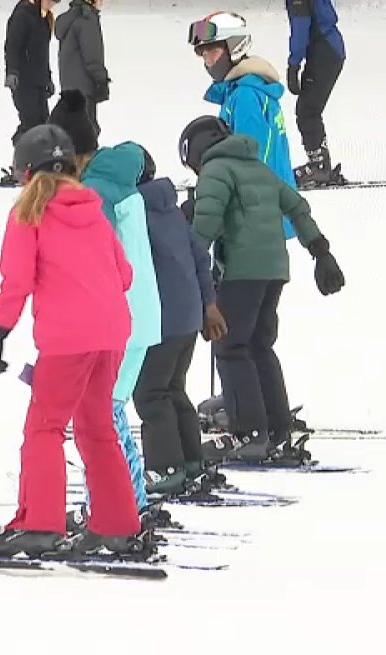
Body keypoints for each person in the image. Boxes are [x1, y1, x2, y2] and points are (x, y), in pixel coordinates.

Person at [0, 124, 143, 556]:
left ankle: (40, 524)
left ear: (24, 173)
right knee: (97, 429)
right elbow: (125, 275)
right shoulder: (92, 207)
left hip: (68, 340)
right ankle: (117, 525)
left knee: (44, 427)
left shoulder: (29, 213)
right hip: (112, 335)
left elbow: (16, 280)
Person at [179, 115, 345, 464]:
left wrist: (186, 260)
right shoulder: (259, 168)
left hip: (242, 270)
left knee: (230, 346)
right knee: (259, 346)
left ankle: (249, 433)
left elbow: (206, 225)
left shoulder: (216, 170)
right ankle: (278, 429)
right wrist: (320, 251)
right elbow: (296, 206)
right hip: (273, 271)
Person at [48, 90, 161, 514]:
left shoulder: (95, 192)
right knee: (109, 415)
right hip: (139, 316)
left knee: (100, 422)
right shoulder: (116, 177)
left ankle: (115, 508)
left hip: (118, 322)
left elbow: (95, 262)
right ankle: (129, 502)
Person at [132, 147, 228, 495]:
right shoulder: (169, 208)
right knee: (173, 389)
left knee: (151, 393)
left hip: (160, 316)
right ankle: (190, 461)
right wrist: (207, 304)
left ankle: (165, 468)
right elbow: (199, 256)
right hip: (187, 314)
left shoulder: (132, 212)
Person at [189, 11, 295, 237]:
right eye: (204, 54)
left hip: (258, 213)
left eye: (214, 52)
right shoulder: (239, 91)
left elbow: (249, 157)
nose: (208, 62)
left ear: (235, 47)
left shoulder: (246, 96)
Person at [285, 0, 347, 187]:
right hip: (328, 48)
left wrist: (294, 64)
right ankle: (320, 163)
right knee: (308, 109)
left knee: (307, 110)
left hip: (325, 51)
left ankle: (319, 166)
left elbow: (300, 28)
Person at [1, 0, 59, 186]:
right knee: (30, 123)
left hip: (38, 82)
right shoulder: (23, 14)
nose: (53, 4)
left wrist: (47, 78)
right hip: (23, 82)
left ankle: (34, 168)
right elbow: (12, 46)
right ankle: (19, 169)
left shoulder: (43, 19)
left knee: (42, 124)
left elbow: (42, 54)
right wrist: (12, 72)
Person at [54, 0, 110, 134]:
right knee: (87, 133)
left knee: (74, 131)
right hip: (84, 86)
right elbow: (92, 55)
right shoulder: (87, 19)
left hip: (69, 86)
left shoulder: (69, 19)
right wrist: (101, 80)